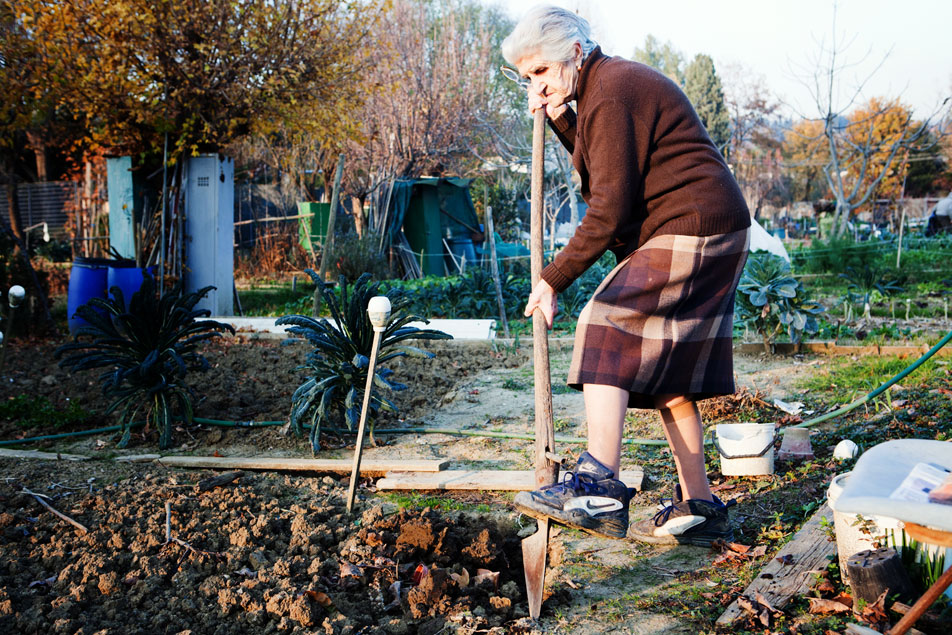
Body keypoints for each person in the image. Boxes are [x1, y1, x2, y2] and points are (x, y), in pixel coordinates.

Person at [502, 6, 751, 546]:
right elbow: (603, 162)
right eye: (527, 79)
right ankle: (701, 504)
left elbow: (609, 207)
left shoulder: (612, 90)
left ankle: (599, 487)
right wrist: (558, 115)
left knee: (605, 321)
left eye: (541, 73)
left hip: (694, 225)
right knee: (670, 375)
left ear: (573, 51)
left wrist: (552, 278)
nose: (536, 88)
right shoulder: (598, 92)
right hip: (705, 224)